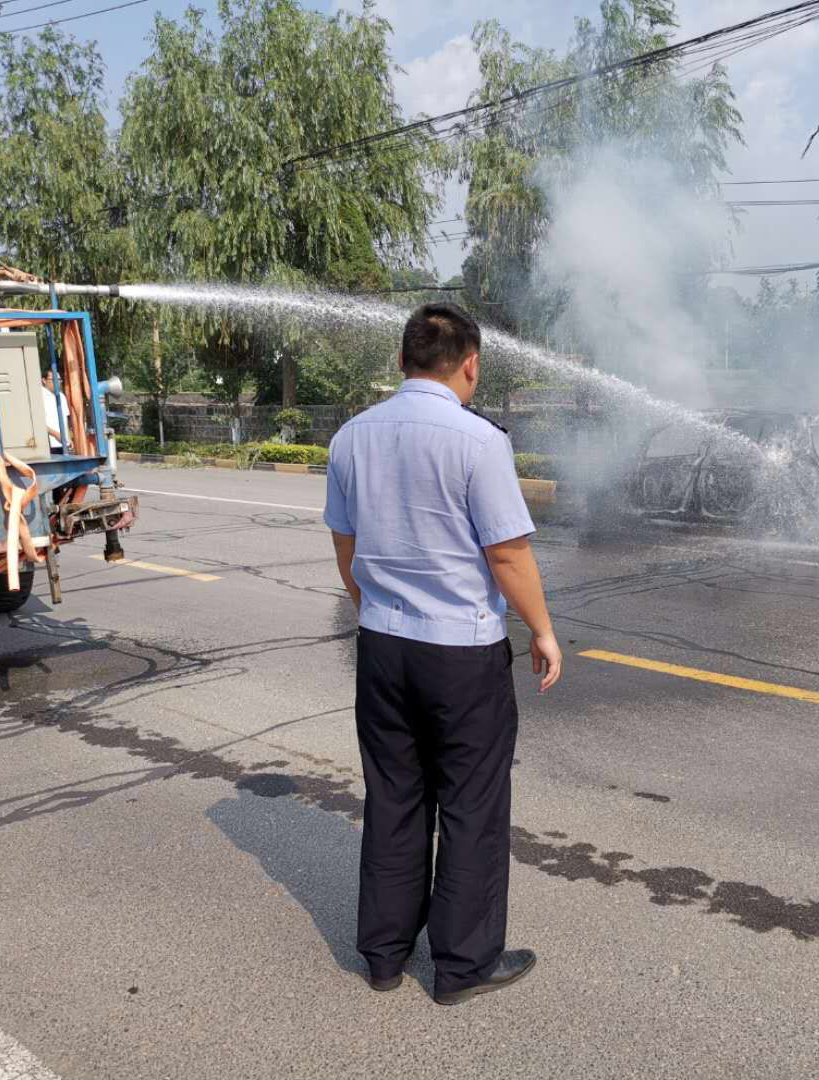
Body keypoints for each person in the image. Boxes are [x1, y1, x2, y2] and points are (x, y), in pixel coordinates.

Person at [324, 302, 562, 1006]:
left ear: (401, 363)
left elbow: (346, 547)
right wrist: (543, 630)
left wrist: (375, 606)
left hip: (384, 646)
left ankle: (384, 957)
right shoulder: (478, 441)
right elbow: (509, 552)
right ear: (470, 365)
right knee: (470, 804)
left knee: (395, 797)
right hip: (461, 653)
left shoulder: (351, 438)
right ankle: (462, 965)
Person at [40, 366, 70, 453]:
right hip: (49, 445)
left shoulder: (61, 396)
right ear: (44, 380)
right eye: (53, 380)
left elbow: (65, 419)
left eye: (59, 380)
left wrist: (69, 438)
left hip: (64, 444)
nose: (57, 383)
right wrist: (55, 434)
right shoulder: (39, 396)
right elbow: (39, 423)